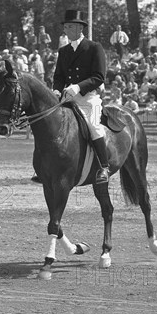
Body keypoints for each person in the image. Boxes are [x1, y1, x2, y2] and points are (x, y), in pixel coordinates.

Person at [52, 9, 109, 184]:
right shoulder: (64, 51)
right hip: (67, 98)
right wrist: (56, 90)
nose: (65, 30)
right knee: (51, 126)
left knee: (93, 126)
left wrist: (78, 87)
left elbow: (99, 76)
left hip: (88, 97)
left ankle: (104, 167)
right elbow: (59, 76)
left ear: (78, 28)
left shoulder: (94, 47)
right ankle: (47, 166)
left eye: (69, 27)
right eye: (65, 27)